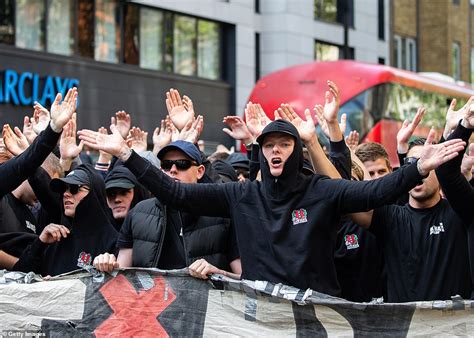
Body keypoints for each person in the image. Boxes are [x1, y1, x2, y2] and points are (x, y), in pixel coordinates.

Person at [79, 109, 463, 295]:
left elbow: (374, 193)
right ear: (260, 153)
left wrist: (415, 169)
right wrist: (127, 156)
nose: (275, 151)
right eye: (268, 146)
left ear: (296, 151)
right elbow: (176, 192)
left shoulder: (322, 192)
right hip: (259, 319)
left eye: (284, 144)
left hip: (316, 315)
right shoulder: (241, 194)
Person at [93, 141, 241, 280]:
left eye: (182, 164)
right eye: (166, 165)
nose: (173, 170)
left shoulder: (221, 214)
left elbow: (245, 279)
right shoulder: (138, 212)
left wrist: (217, 273)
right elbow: (121, 275)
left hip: (205, 305)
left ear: (200, 171)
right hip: (152, 305)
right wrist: (107, 264)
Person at [13, 165, 118, 276]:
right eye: (63, 189)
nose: (66, 194)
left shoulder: (113, 242)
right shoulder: (56, 238)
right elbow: (17, 278)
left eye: (74, 188)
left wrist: (110, 266)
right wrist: (39, 244)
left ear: (94, 193)